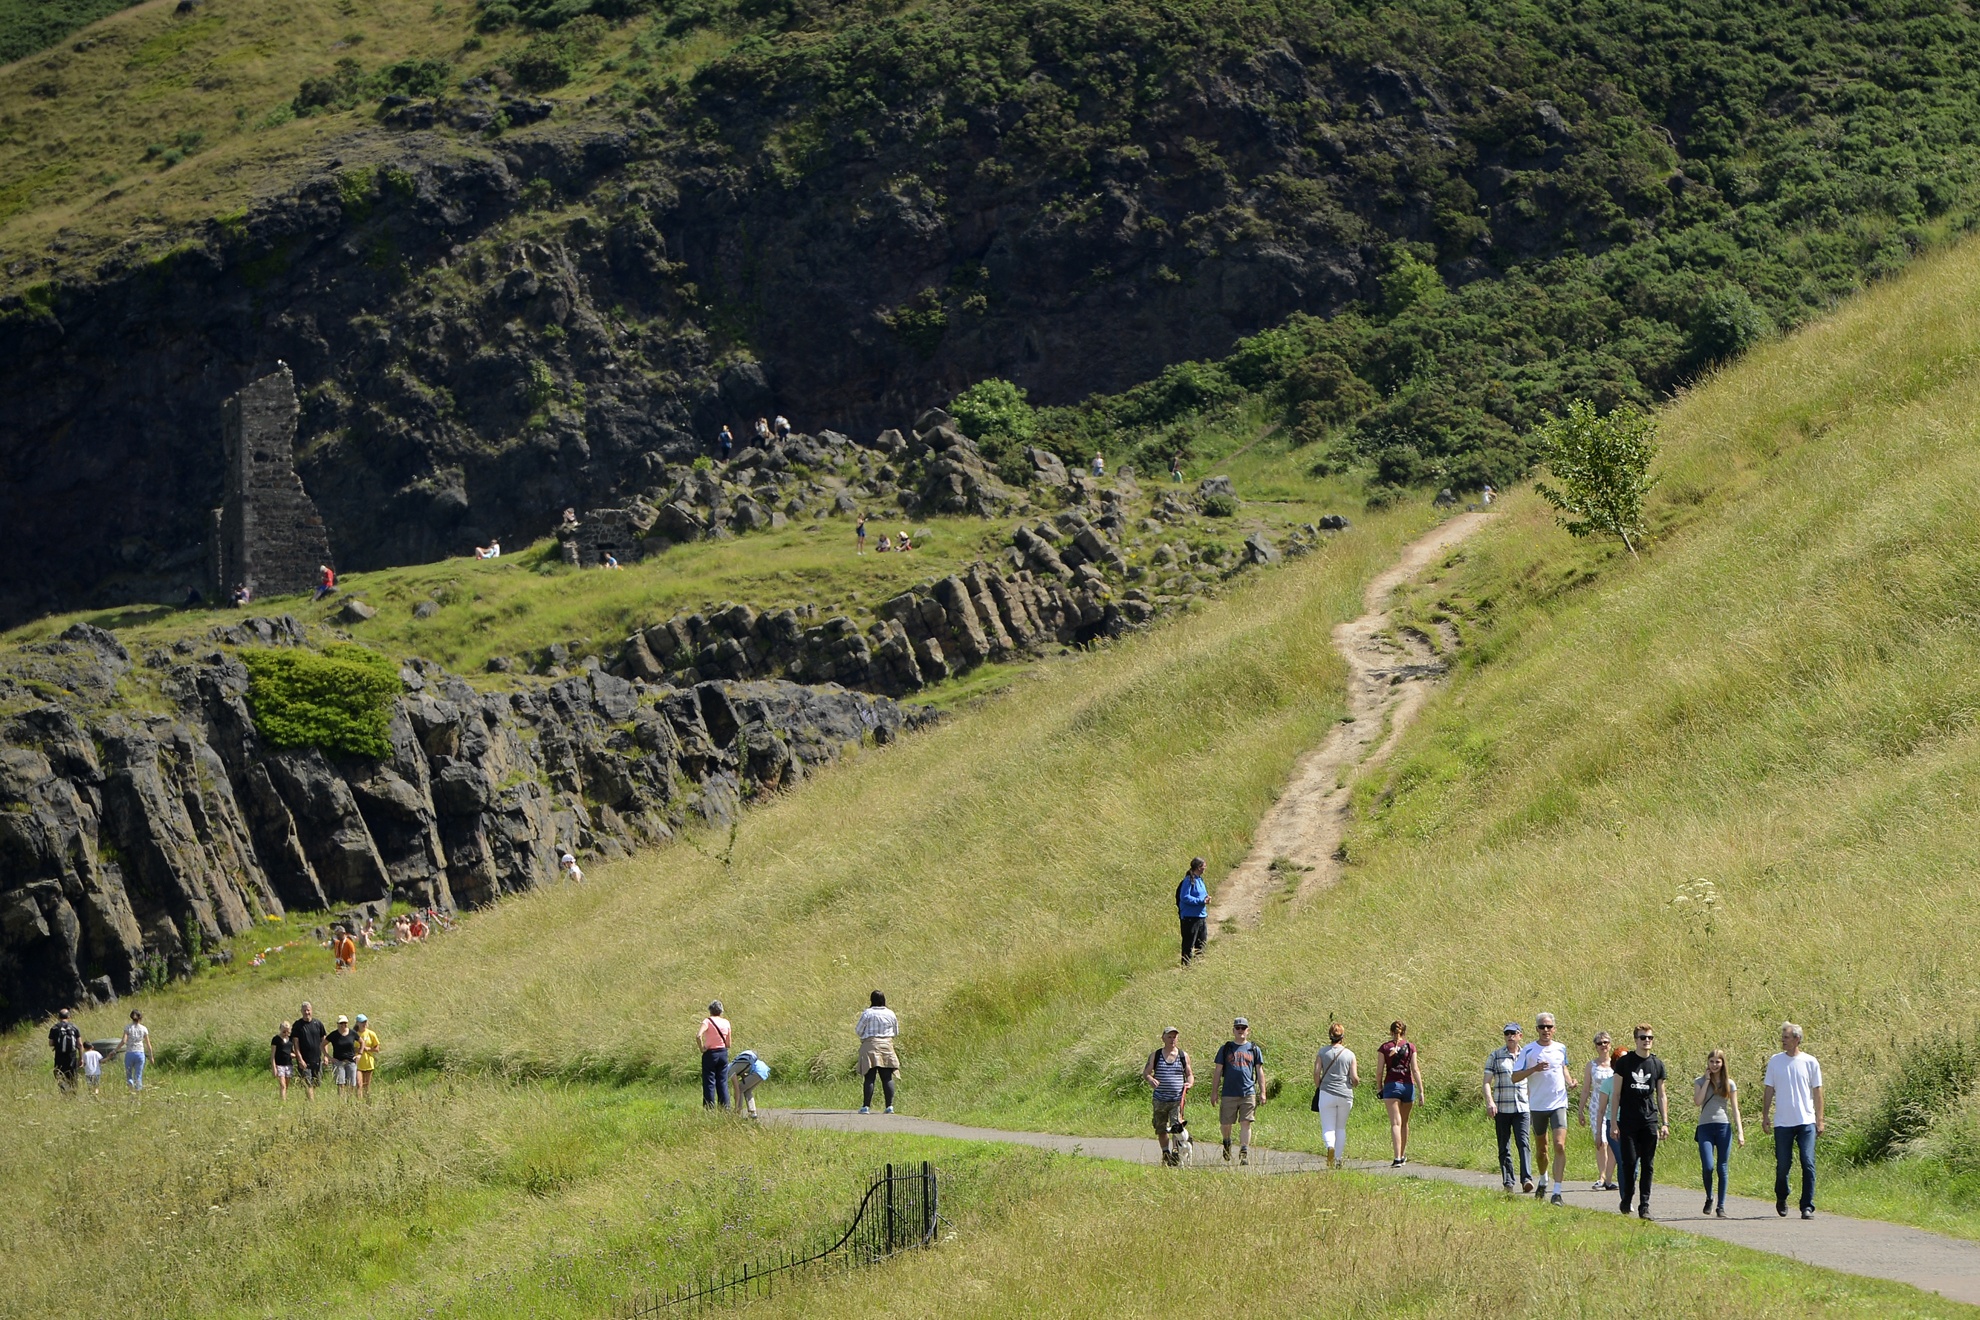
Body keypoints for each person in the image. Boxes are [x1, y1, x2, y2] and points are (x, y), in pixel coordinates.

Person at [1762, 1021, 1823, 1219]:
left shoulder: (1810, 1062)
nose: (1783, 1040)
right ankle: (1782, 1195)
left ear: (1797, 1039)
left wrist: (1819, 1119)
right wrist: (1765, 1116)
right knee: (1783, 1165)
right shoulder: (1775, 1061)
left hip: (1805, 1121)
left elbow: (1817, 1091)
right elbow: (1769, 1089)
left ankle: (1807, 1206)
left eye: (1786, 1037)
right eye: (1782, 1037)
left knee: (1808, 1162)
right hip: (1782, 1123)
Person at [1610, 1023, 1669, 1219]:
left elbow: (1661, 1095)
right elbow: (1616, 1094)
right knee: (1629, 1162)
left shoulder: (1657, 1064)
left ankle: (1645, 1205)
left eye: (1649, 1038)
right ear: (1636, 1040)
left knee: (1648, 1164)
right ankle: (1627, 1197)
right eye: (1643, 1038)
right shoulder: (1625, 1063)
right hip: (1628, 1120)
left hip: (1649, 1120)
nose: (1646, 1041)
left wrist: (1665, 1122)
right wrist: (1613, 1123)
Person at [1520, 1012, 1577, 1204]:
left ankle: (1557, 1192)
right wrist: (1534, 1070)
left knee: (1560, 1145)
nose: (1546, 1030)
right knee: (1541, 1149)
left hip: (1558, 1103)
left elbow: (1563, 1067)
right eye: (1542, 1027)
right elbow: (1515, 1076)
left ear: (1554, 1029)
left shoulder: (1560, 1048)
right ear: (1536, 1029)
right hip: (1537, 1105)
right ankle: (1543, 1178)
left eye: (1549, 1027)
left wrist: (1570, 1082)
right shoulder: (1528, 1050)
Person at [1695, 1047, 1746, 1218]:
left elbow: (1735, 1109)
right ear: (1707, 1063)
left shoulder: (1729, 1084)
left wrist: (1740, 1132)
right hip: (1705, 1127)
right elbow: (1698, 1101)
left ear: (1723, 1063)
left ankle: (1721, 1206)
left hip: (1723, 1126)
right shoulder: (1700, 1081)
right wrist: (1707, 1081)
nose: (1715, 1064)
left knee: (1722, 1167)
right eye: (1712, 1061)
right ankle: (1709, 1196)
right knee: (1708, 1166)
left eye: (1718, 1061)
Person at [1483, 1023, 1533, 1192]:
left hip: (1522, 1107)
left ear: (1520, 1035)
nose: (1510, 1036)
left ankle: (1526, 1179)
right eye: (1507, 1033)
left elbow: (1534, 1080)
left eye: (1513, 1033)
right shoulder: (1496, 1056)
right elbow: (1486, 1082)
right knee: (1504, 1146)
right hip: (1502, 1107)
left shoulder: (1527, 1055)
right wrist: (1490, 1102)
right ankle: (1508, 1182)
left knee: (1523, 1142)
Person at [1213, 1016, 1265, 1165]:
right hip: (1229, 1092)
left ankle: (1244, 1152)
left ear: (1248, 1031)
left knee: (1246, 1122)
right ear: (1233, 1030)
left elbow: (1259, 1071)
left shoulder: (1254, 1049)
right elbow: (1218, 1071)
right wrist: (1214, 1092)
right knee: (1225, 1124)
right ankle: (1227, 1142)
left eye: (1243, 1028)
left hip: (1248, 1092)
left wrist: (1262, 1092)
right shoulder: (1226, 1049)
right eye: (1238, 1028)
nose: (1240, 1031)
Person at [1376, 1020, 1424, 1167]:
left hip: (1391, 1086)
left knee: (1395, 1123)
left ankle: (1396, 1157)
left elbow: (1379, 1071)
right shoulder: (1410, 1047)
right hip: (1408, 1086)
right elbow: (1415, 1069)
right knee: (1404, 1123)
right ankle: (1402, 1155)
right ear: (1404, 1032)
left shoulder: (1384, 1047)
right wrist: (1421, 1091)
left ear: (1391, 1032)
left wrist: (1379, 1088)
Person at [1144, 1027, 1194, 1165]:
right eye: (1169, 1037)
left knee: (1176, 1127)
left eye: (1174, 1037)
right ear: (1163, 1038)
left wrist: (1189, 1084)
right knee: (1161, 1128)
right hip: (1160, 1099)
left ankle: (1176, 1153)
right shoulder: (1156, 1055)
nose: (1172, 1040)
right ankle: (1166, 1153)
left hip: (1177, 1100)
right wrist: (1150, 1079)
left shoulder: (1183, 1055)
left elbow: (1189, 1074)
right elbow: (1146, 1072)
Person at [1313, 1023, 1358, 1169]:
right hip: (1345, 1094)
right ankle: (1338, 1159)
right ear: (1342, 1037)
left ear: (1329, 1036)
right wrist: (1355, 1083)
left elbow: (1316, 1072)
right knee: (1341, 1128)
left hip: (1326, 1093)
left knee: (1328, 1127)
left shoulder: (1322, 1052)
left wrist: (1319, 1085)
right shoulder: (1350, 1054)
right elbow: (1354, 1077)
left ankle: (1330, 1147)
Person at [857, 990, 900, 1113]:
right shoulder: (890, 1013)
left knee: (869, 1078)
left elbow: (858, 1030)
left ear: (871, 1000)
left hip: (870, 1045)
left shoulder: (867, 1013)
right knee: (887, 1077)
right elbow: (896, 1032)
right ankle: (889, 1106)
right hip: (886, 1045)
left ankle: (866, 1107)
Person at [1584, 1031, 1618, 1191]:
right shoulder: (1591, 1065)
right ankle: (1601, 1176)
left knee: (1612, 1142)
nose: (1603, 1045)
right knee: (1601, 1142)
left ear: (1610, 1044)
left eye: (1605, 1042)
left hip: (1613, 1106)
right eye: (1599, 1043)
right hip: (1597, 1106)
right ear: (1596, 1047)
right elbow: (1585, 1089)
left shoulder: (1616, 1064)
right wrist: (1580, 1110)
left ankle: (1609, 1178)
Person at [699, 1000, 733, 1109]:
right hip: (723, 1053)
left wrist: (702, 1048)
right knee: (722, 1081)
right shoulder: (726, 1022)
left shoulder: (707, 1021)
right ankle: (725, 1107)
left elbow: (698, 1035)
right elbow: (728, 1044)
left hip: (710, 1054)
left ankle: (709, 1108)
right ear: (721, 1011)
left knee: (709, 1081)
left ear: (710, 1010)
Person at [1176, 857, 1208, 965]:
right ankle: (1186, 968)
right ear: (1199, 867)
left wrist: (1205, 899)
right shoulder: (1188, 880)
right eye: (1204, 866)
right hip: (1190, 918)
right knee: (1188, 945)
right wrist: (1201, 900)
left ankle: (1199, 967)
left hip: (1200, 916)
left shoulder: (1200, 879)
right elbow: (1184, 897)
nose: (1205, 868)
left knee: (1201, 944)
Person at [292, 1001, 327, 1097]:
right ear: (301, 1011)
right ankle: (311, 1102)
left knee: (316, 1083)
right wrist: (300, 1059)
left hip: (317, 1060)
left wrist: (326, 1056)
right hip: (305, 1061)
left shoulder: (318, 1024)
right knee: (308, 1084)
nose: (306, 1012)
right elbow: (296, 1044)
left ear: (311, 1010)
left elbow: (324, 1040)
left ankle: (310, 1100)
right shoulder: (297, 1025)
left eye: (308, 1010)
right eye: (304, 1010)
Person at [726, 1049, 769, 1117]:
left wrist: (736, 1105)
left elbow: (737, 1089)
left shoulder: (731, 1071)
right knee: (747, 1090)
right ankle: (753, 1112)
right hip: (763, 1070)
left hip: (758, 1071)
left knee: (740, 1088)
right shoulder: (736, 1064)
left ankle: (738, 1111)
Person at [49, 1007, 82, 1094]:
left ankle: (64, 1093)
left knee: (60, 1075)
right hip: (72, 1057)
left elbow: (50, 1043)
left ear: (58, 1017)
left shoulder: (55, 1028)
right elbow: (80, 1044)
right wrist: (81, 1058)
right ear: (69, 1016)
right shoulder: (74, 1027)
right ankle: (73, 1094)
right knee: (73, 1076)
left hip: (60, 1057)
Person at [328, 1015, 360, 1096]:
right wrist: (329, 1057)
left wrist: (359, 1054)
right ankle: (341, 1102)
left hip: (351, 1061)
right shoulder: (334, 1034)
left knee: (351, 1084)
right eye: (341, 1023)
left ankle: (349, 1102)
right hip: (339, 1062)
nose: (343, 1025)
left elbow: (362, 1042)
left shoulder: (352, 1033)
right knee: (340, 1084)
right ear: (338, 1024)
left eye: (345, 1023)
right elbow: (322, 1045)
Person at [121, 1010, 151, 1092]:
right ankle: (138, 1092)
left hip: (130, 1053)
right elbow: (148, 1044)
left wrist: (115, 1050)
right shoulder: (144, 1029)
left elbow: (124, 1041)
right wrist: (151, 1056)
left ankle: (131, 1089)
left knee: (129, 1074)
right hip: (140, 1053)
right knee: (138, 1075)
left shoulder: (128, 1027)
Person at [271, 1021, 296, 1100]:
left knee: (287, 1084)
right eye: (284, 1031)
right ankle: (283, 1101)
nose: (285, 1033)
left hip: (289, 1064)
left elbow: (292, 1051)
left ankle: (283, 1097)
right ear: (280, 1029)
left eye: (287, 1032)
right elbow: (272, 1055)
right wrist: (274, 1067)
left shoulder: (291, 1039)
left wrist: (294, 1055)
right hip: (279, 1065)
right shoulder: (276, 1039)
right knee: (283, 1085)